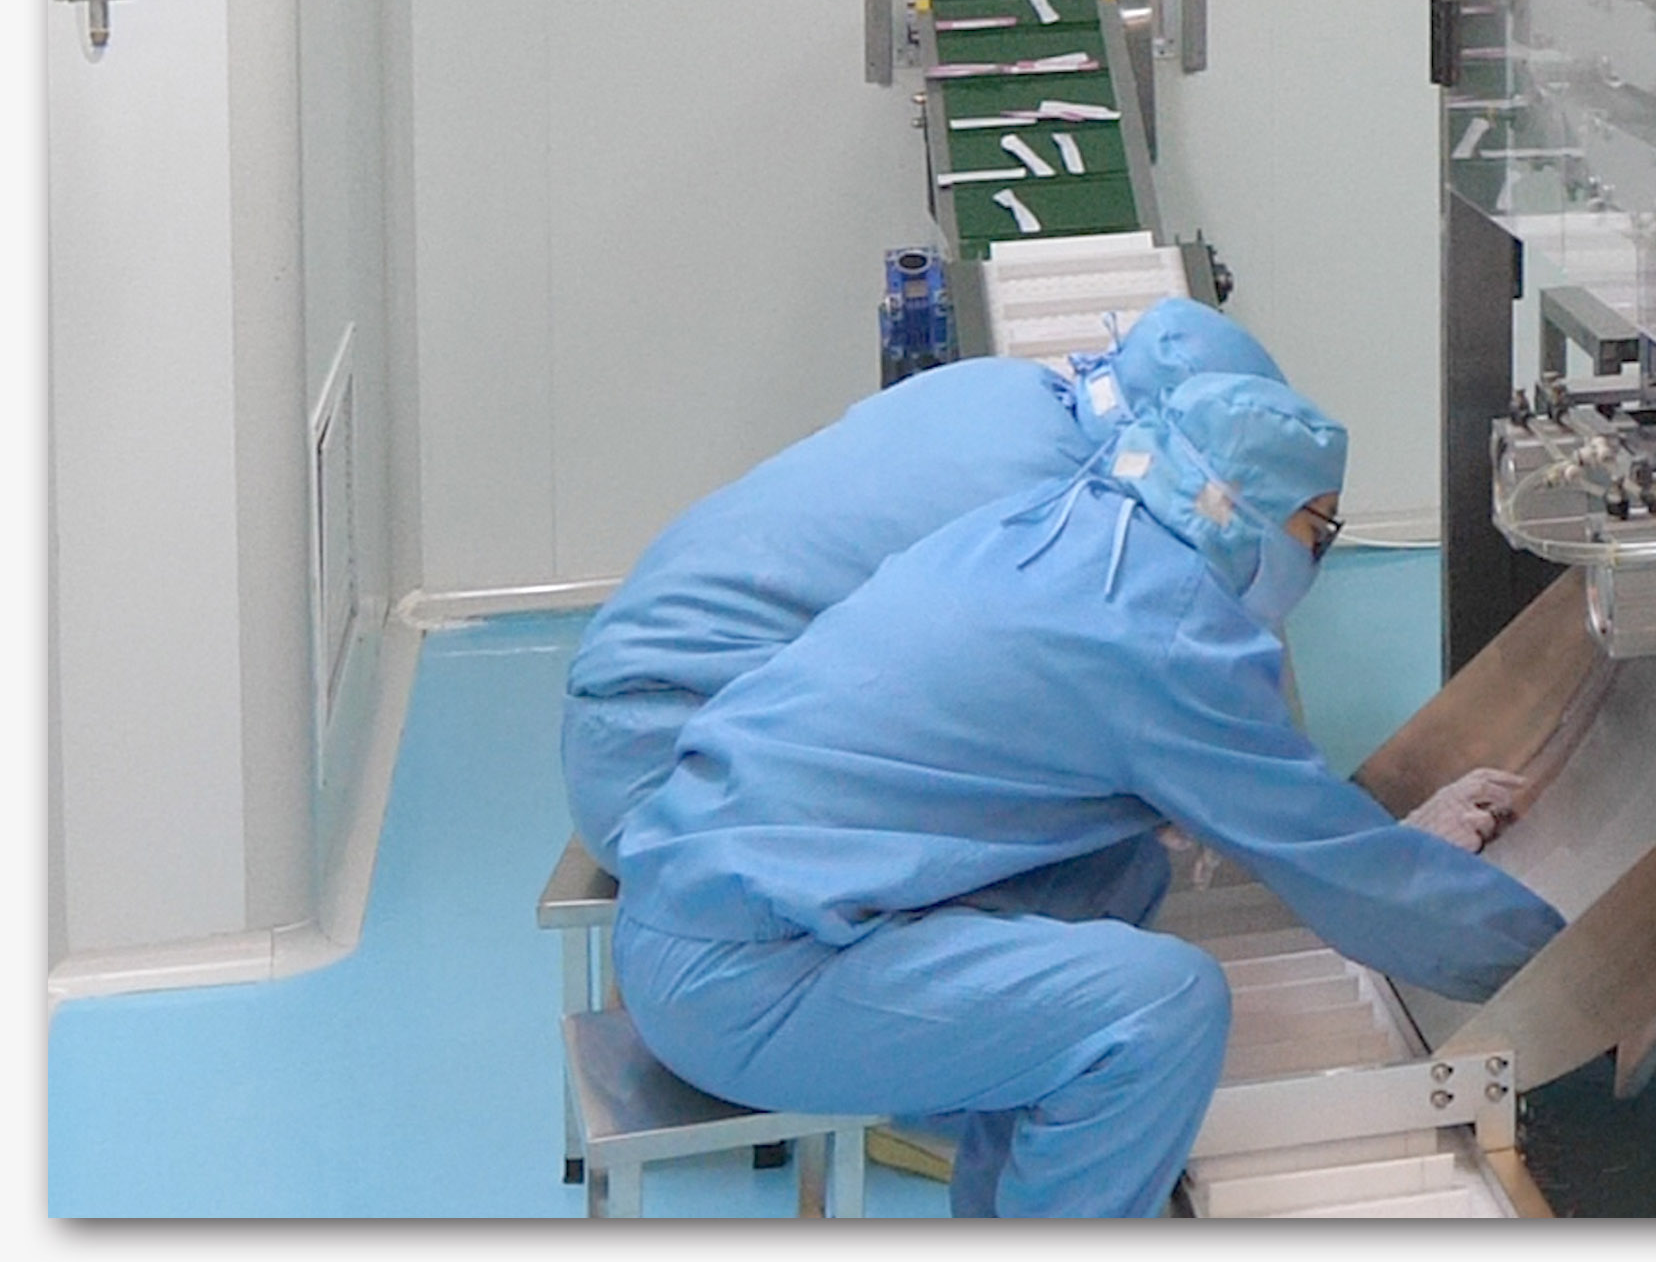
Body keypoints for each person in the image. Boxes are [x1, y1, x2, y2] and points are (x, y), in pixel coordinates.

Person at [605, 371, 1561, 1218]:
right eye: (1319, 531)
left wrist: (1384, 850)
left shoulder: (1068, 527)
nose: (1318, 557)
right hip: (747, 976)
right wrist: (1564, 970)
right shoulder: (1166, 634)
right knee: (1160, 1008)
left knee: (1116, 873)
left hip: (709, 891)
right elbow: (1338, 868)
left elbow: (1261, 815)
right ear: (1247, 510)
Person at [559, 299, 1283, 870]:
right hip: (676, 786)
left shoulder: (1002, 385)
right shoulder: (1061, 516)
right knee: (1092, 817)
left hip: (623, 716)